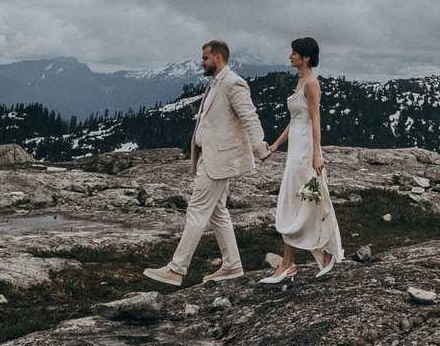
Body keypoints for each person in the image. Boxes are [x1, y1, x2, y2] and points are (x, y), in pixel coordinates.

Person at [144, 39, 268, 288]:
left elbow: (249, 116)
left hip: (218, 159)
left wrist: (260, 148)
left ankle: (177, 269)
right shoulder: (215, 83)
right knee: (217, 212)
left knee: (197, 210)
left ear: (218, 58)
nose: (201, 62)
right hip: (208, 157)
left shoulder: (233, 83)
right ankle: (232, 264)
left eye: (205, 58)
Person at [257, 35, 344, 284]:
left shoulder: (311, 83)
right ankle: (309, 258)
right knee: (301, 201)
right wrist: (275, 145)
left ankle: (291, 263)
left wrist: (316, 154)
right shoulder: (301, 82)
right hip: (295, 149)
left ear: (305, 57)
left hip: (305, 152)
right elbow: (295, 120)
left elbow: (315, 119)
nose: (290, 56)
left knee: (300, 200)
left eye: (294, 53)